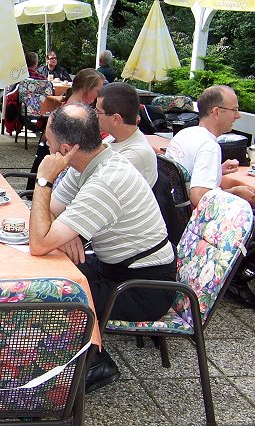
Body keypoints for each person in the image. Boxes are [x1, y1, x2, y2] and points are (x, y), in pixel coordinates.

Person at [28, 103, 177, 393]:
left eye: (48, 142)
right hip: (116, 269)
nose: (46, 147)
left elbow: (39, 242)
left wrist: (44, 180)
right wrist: (66, 230)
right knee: (42, 278)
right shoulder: (91, 160)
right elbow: (49, 214)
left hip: (144, 287)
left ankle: (96, 365)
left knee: (51, 295)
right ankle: (66, 359)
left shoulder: (107, 180)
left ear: (66, 148)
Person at [165, 85, 255, 207]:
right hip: (189, 216)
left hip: (169, 208)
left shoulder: (184, 134)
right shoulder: (209, 146)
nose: (238, 115)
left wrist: (217, 170)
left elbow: (183, 178)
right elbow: (199, 197)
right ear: (216, 112)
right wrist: (234, 193)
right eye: (234, 110)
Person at [27, 68, 106, 190]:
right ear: (86, 89)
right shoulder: (75, 116)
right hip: (58, 178)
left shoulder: (68, 110)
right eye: (98, 91)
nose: (99, 95)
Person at [96, 82, 157, 187]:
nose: (95, 116)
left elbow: (98, 185)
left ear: (116, 119)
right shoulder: (114, 138)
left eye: (98, 112)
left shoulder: (134, 155)